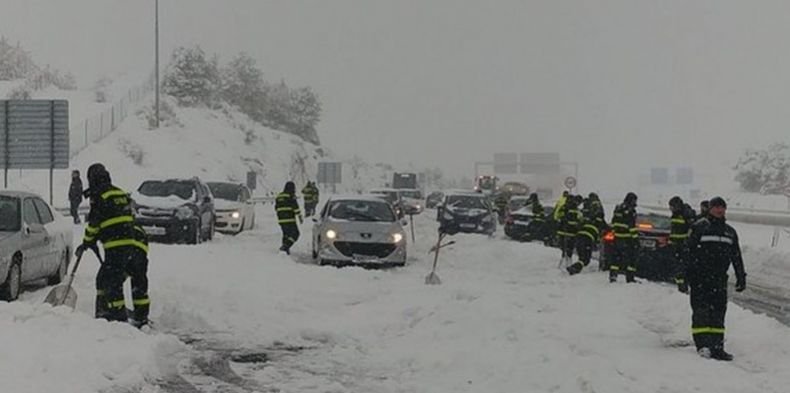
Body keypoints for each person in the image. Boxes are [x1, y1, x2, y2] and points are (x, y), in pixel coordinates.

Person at [76, 163, 150, 327]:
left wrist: (87, 241)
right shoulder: (119, 192)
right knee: (136, 282)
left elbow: (94, 223)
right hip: (133, 242)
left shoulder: (99, 195)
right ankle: (140, 317)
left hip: (115, 245)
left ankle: (117, 317)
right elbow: (120, 217)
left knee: (110, 281)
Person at [678, 197, 746, 361]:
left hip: (719, 280)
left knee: (718, 313)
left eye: (722, 207)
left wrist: (741, 276)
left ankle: (717, 347)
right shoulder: (699, 227)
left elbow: (736, 256)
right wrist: (682, 276)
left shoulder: (729, 232)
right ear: (710, 209)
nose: (719, 210)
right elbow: (687, 253)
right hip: (700, 278)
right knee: (701, 312)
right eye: (716, 207)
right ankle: (702, 346)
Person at [567, 193, 606, 275]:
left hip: (579, 236)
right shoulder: (598, 215)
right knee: (586, 259)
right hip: (588, 238)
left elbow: (578, 223)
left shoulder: (585, 215)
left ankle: (574, 268)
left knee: (582, 257)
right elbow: (602, 224)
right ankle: (574, 268)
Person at [609, 192, 638, 283]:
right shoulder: (631, 210)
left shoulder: (618, 208)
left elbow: (613, 223)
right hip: (627, 239)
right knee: (632, 258)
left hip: (617, 238)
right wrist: (636, 239)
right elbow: (631, 226)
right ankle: (630, 278)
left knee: (616, 258)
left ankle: (613, 276)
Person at [669, 196, 693, 287]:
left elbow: (691, 229)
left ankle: (683, 285)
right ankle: (680, 285)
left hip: (683, 245)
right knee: (678, 265)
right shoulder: (675, 214)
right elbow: (674, 230)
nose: (670, 209)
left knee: (683, 266)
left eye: (672, 206)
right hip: (676, 244)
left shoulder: (685, 214)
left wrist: (686, 242)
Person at [275, 181, 302, 255]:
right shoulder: (291, 196)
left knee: (286, 234)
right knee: (296, 234)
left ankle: (285, 250)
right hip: (290, 220)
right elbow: (296, 208)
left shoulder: (279, 196)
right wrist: (300, 216)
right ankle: (285, 246)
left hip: (281, 220)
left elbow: (276, 208)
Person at [556, 195, 582, 267]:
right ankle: (568, 262)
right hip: (571, 232)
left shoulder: (563, 207)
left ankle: (564, 260)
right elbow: (579, 219)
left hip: (562, 231)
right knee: (569, 248)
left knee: (564, 248)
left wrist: (563, 219)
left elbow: (557, 216)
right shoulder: (576, 209)